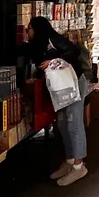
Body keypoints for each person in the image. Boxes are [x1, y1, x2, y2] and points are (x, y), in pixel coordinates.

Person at [27, 17, 88, 186]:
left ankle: (79, 166)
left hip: (73, 83)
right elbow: (43, 65)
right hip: (59, 87)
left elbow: (73, 51)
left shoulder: (53, 39)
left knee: (73, 122)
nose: (27, 31)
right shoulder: (38, 45)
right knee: (62, 123)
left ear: (38, 28)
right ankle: (70, 160)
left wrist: (54, 62)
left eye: (30, 28)